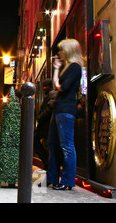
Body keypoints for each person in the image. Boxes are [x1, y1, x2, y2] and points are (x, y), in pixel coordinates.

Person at [47, 39, 84, 190]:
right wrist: (56, 69)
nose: (58, 53)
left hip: (66, 110)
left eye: (61, 50)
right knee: (52, 143)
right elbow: (58, 86)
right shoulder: (68, 67)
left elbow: (62, 87)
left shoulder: (75, 67)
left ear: (68, 51)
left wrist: (56, 72)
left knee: (67, 146)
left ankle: (68, 181)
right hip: (59, 109)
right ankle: (52, 178)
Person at [34, 79, 57, 169]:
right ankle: (47, 162)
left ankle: (48, 163)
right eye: (43, 86)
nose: (44, 88)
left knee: (45, 144)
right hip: (45, 125)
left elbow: (50, 107)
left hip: (47, 125)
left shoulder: (52, 94)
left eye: (46, 86)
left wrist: (40, 117)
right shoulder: (49, 94)